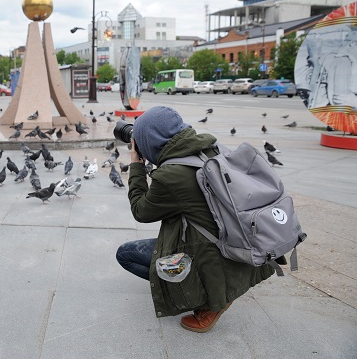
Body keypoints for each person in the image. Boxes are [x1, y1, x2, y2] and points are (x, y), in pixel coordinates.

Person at [116, 106, 274, 333]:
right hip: (237, 244)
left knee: (126, 255)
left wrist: (136, 164)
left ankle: (207, 302)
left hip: (209, 253)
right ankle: (213, 287)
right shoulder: (210, 149)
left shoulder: (171, 176)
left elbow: (140, 211)